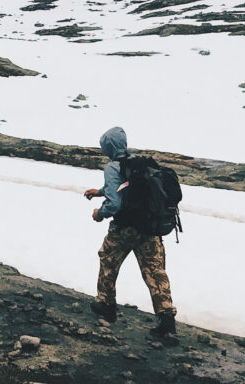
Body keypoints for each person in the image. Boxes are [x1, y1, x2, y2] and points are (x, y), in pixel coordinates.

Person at [83, 126, 177, 337]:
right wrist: (99, 192)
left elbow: (116, 202)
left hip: (125, 228)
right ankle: (167, 320)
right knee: (155, 271)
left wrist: (100, 213)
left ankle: (106, 306)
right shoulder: (138, 164)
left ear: (109, 146)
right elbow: (125, 187)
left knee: (108, 259)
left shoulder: (112, 167)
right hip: (149, 228)